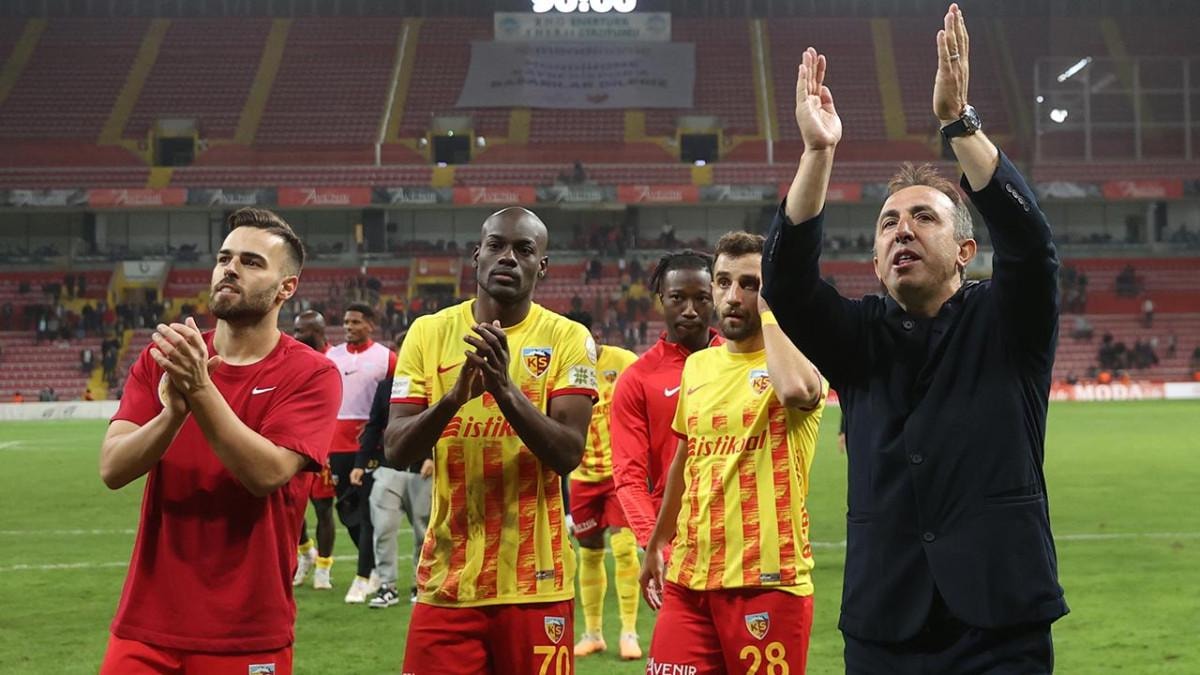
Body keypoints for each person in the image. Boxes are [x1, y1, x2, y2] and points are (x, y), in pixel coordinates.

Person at [761, 8, 1068, 671]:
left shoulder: (1007, 324)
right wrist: (817, 153)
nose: (901, 230)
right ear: (875, 263)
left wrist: (958, 123)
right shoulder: (859, 339)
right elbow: (785, 283)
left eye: (923, 217)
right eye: (887, 224)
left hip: (1001, 623)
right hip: (885, 625)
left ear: (965, 251)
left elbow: (1030, 244)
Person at [97, 207, 341, 674]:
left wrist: (199, 390)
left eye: (251, 262)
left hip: (246, 630)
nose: (230, 268)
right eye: (224, 258)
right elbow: (112, 468)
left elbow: (266, 474)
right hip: (146, 624)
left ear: (286, 288)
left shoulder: (312, 374)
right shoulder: (165, 358)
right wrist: (172, 415)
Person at [384, 207, 596, 675]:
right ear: (476, 255)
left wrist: (504, 389)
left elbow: (567, 453)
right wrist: (451, 400)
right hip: (446, 583)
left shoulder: (567, 338)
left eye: (524, 250)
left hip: (536, 585)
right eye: (496, 245)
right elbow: (397, 449)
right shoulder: (429, 333)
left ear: (542, 266)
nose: (508, 257)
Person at [639, 232, 826, 674]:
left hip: (767, 582)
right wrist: (657, 542)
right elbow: (685, 461)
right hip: (689, 580)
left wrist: (772, 309)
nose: (733, 297)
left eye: (750, 284)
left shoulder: (796, 362)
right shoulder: (699, 365)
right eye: (723, 282)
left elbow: (796, 391)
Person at [611, 251, 720, 549]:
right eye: (677, 298)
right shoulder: (638, 379)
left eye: (701, 298)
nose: (690, 310)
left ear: (715, 298)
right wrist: (656, 547)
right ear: (661, 299)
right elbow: (629, 476)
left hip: (737, 538)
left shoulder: (740, 365)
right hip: (676, 541)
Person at [562, 311, 641, 661]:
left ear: (597, 334)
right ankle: (593, 633)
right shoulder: (563, 368)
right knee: (589, 553)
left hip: (619, 476)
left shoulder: (623, 362)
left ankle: (629, 632)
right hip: (581, 477)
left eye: (589, 335)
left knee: (624, 550)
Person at [354, 330, 435, 609]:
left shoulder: (434, 384)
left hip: (422, 470)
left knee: (424, 532)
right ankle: (386, 586)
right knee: (383, 528)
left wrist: (433, 457)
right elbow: (374, 425)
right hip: (387, 468)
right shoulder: (386, 386)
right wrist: (360, 463)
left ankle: (420, 584)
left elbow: (444, 424)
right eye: (402, 350)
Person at [327, 302, 397, 603]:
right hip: (336, 443)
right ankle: (374, 566)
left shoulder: (386, 358)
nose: (349, 327)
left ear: (370, 324)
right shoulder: (332, 356)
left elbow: (393, 400)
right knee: (346, 510)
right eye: (346, 322)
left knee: (368, 511)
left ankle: (365, 575)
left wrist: (380, 433)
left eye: (355, 322)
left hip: (370, 445)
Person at [290, 309, 339, 590]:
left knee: (323, 508)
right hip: (297, 445)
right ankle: (306, 552)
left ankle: (323, 566)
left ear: (318, 332)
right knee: (292, 504)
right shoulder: (292, 359)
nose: (295, 336)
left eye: (301, 331)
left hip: (326, 447)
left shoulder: (336, 360)